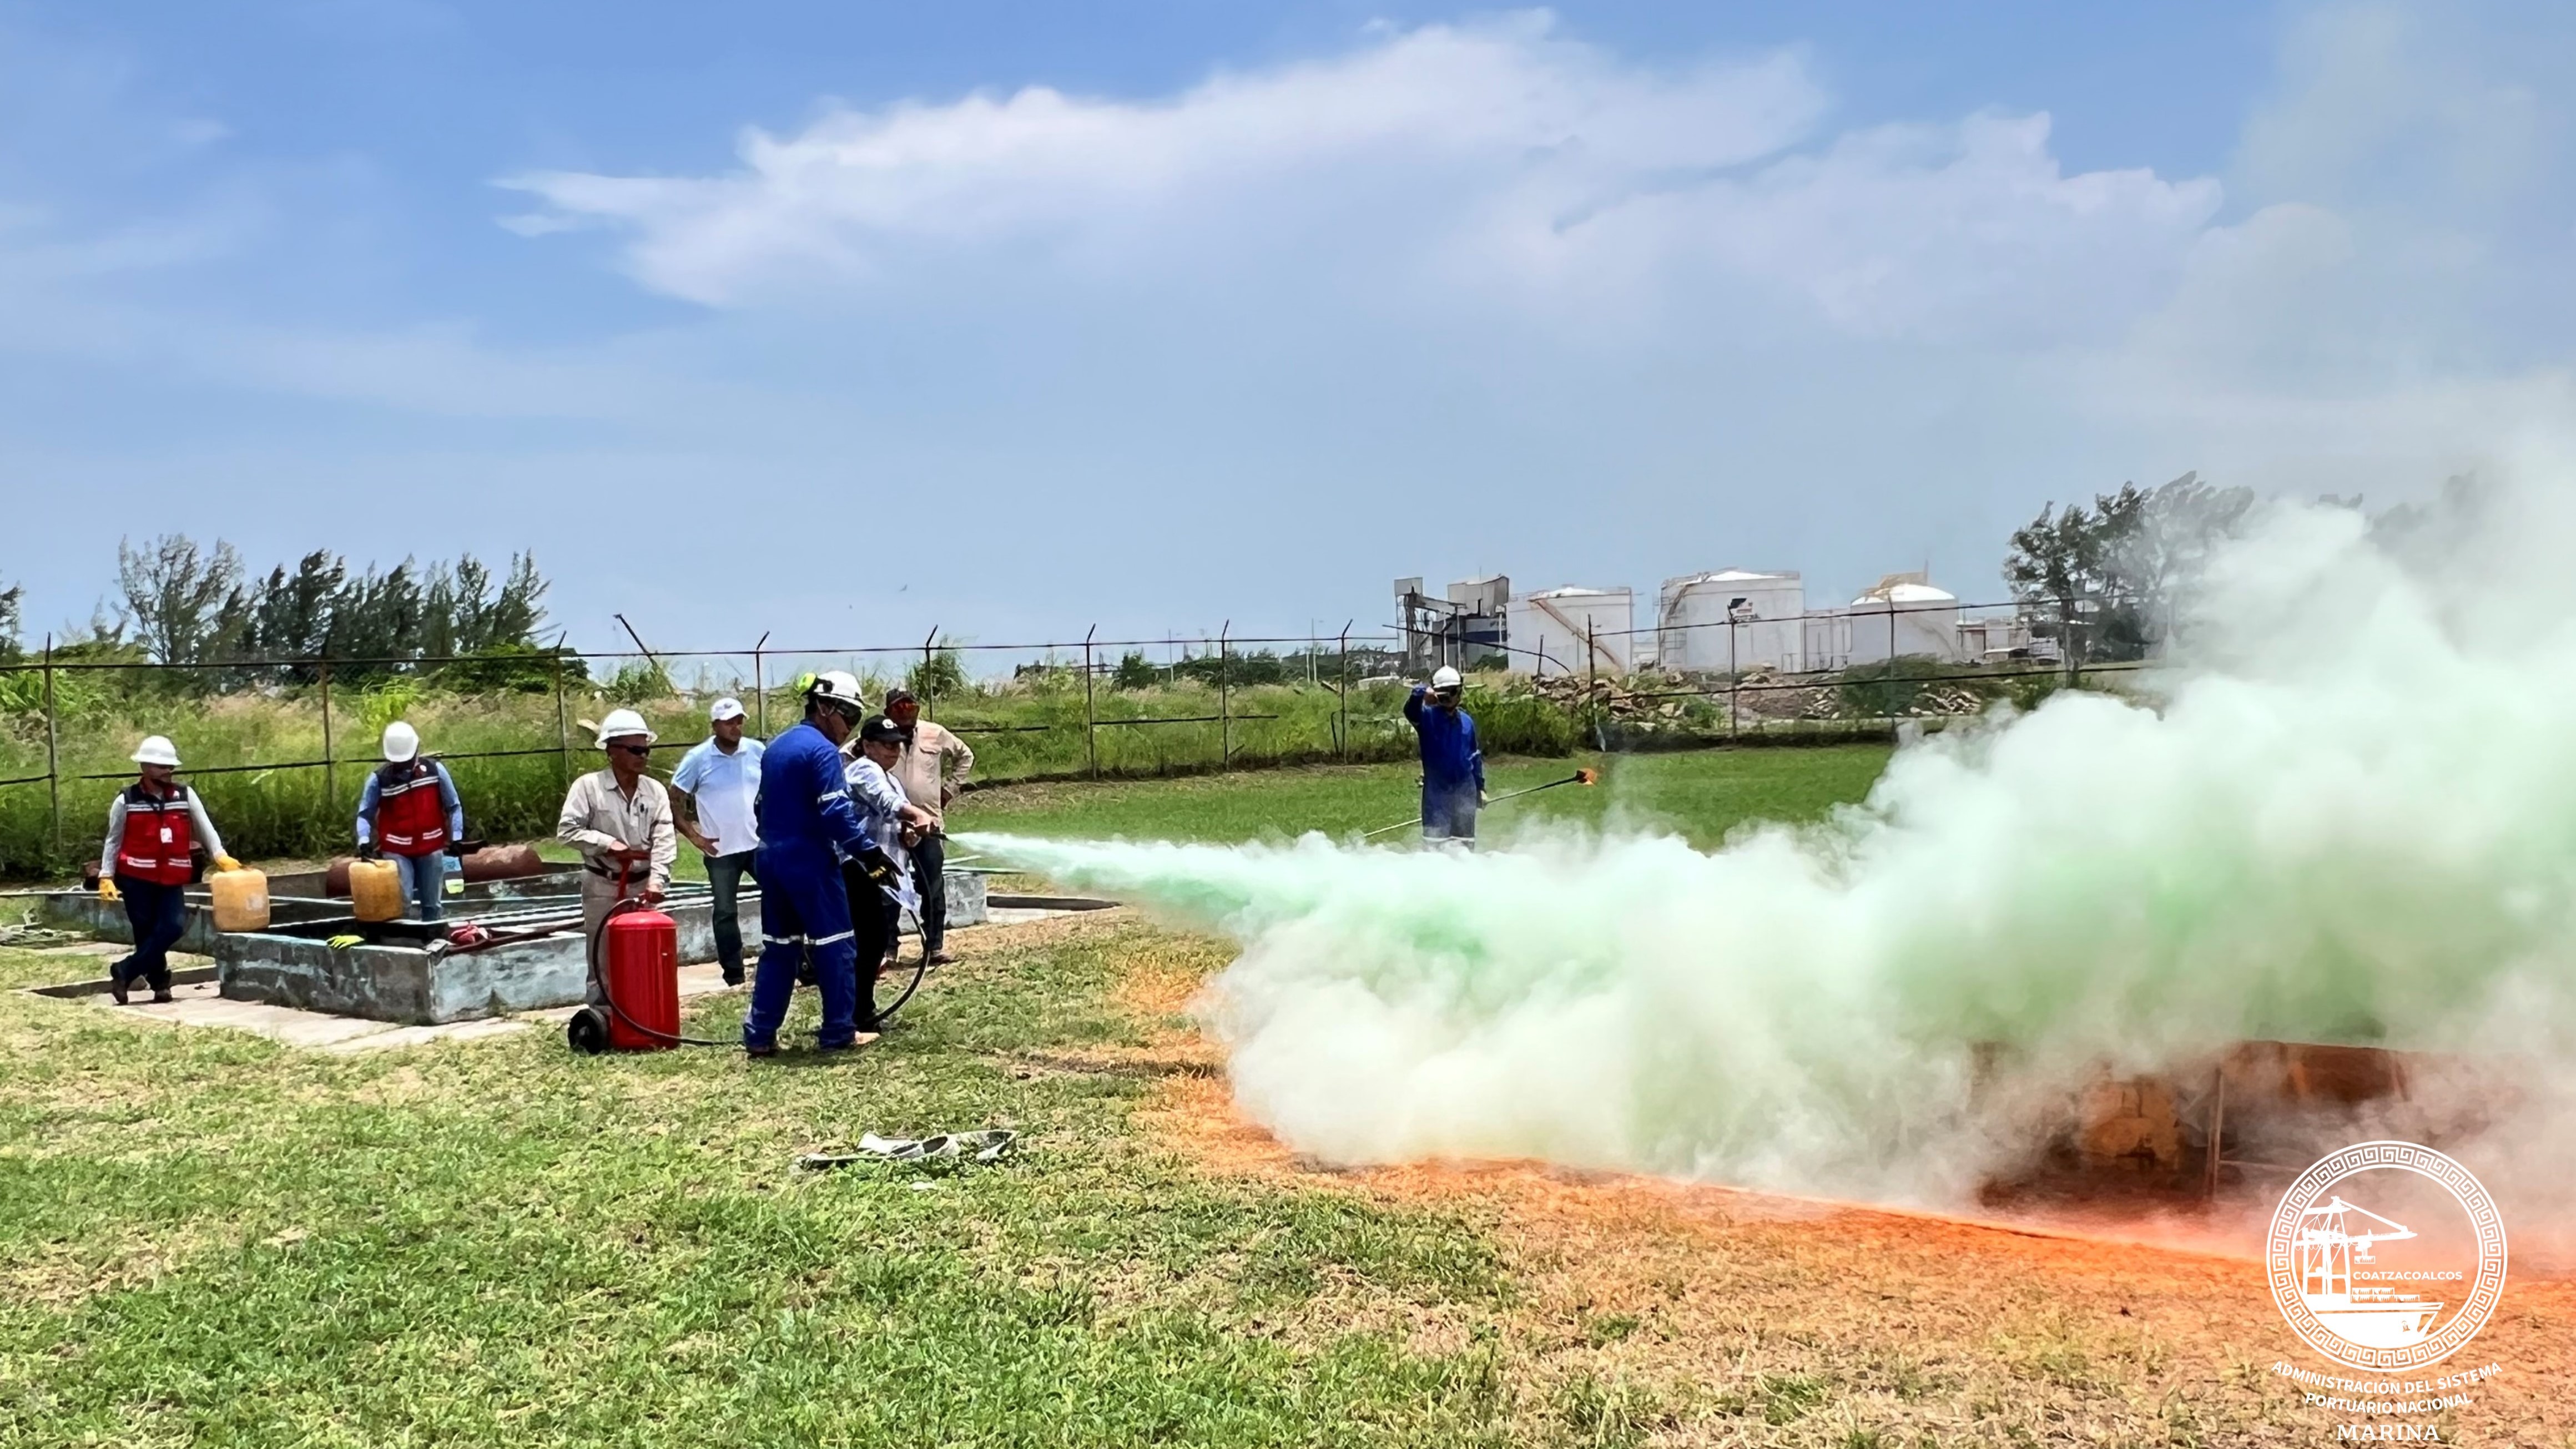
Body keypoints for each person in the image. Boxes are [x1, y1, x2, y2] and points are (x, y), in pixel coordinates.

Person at [741, 672, 885, 1058]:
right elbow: (835, 812)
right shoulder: (822, 751)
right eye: (849, 716)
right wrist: (868, 852)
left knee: (780, 947)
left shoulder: (776, 747)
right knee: (836, 945)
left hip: (770, 856)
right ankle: (839, 1031)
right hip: (809, 859)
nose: (850, 727)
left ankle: (759, 1034)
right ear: (824, 707)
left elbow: (759, 806)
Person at [97, 735, 242, 1005]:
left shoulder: (184, 796)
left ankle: (125, 970)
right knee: (146, 932)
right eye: (162, 767)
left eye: (170, 767)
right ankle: (161, 985)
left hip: (171, 877)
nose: (168, 772)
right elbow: (113, 840)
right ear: (145, 768)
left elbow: (205, 828)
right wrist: (106, 876)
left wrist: (220, 855)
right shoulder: (125, 800)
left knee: (173, 926)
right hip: (136, 878)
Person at [555, 709, 675, 1006]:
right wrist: (606, 843)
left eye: (645, 749)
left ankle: (642, 1007)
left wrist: (657, 881)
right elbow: (567, 831)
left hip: (642, 886)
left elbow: (664, 838)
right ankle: (601, 1014)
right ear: (612, 751)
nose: (643, 756)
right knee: (602, 953)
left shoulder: (655, 791)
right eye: (635, 750)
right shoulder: (588, 787)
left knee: (644, 950)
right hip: (602, 884)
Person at [671, 697, 764, 986]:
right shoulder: (698, 758)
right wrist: (694, 836)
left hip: (759, 844)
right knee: (725, 911)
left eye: (739, 721)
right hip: (721, 850)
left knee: (783, 897)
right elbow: (674, 796)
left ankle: (794, 959)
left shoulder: (757, 751)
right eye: (728, 723)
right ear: (715, 726)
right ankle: (734, 974)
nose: (735, 727)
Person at [843, 713, 937, 986]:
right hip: (862, 871)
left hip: (883, 874)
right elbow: (885, 802)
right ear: (868, 746)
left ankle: (864, 1006)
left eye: (897, 745)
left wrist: (908, 830)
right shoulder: (863, 769)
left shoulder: (891, 778)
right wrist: (915, 814)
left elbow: (895, 812)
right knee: (867, 943)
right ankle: (858, 1009)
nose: (893, 751)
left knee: (874, 943)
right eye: (886, 745)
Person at [885, 686, 973, 964]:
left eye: (910, 706)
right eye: (899, 708)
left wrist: (949, 790)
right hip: (891, 826)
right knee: (888, 888)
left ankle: (934, 947)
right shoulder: (879, 736)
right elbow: (848, 756)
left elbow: (965, 756)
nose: (906, 712)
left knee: (932, 887)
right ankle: (888, 950)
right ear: (889, 712)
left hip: (929, 823)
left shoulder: (935, 733)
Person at [354, 721, 463, 923]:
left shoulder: (435, 771)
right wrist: (364, 841)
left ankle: (433, 939)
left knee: (432, 904)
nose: (403, 765)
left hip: (431, 848)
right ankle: (402, 944)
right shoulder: (379, 779)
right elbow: (365, 814)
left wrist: (457, 837)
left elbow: (454, 806)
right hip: (397, 850)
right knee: (401, 901)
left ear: (416, 750)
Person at [1404, 665, 1486, 846]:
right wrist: (1422, 693)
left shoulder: (1467, 722)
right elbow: (1410, 711)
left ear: (1460, 692)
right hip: (1437, 798)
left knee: (1464, 853)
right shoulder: (1426, 718)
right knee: (1436, 853)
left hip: (1465, 795)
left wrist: (1480, 788)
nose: (1449, 697)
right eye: (1443, 692)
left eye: (1453, 691)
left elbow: (1474, 757)